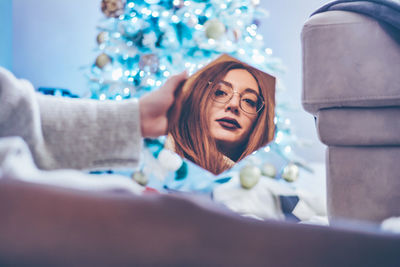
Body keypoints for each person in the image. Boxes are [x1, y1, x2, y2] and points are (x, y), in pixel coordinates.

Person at [167, 55, 275, 175]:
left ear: (258, 120)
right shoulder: (158, 149)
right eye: (220, 92)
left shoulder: (260, 181)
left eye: (249, 101)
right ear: (197, 99)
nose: (234, 105)